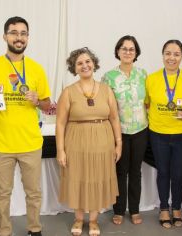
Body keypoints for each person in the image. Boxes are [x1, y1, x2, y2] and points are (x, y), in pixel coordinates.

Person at [0, 16, 51, 236]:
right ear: (5, 36)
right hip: (2, 144)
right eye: (13, 32)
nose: (18, 37)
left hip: (30, 142)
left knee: (34, 192)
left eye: (23, 33)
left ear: (27, 37)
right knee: (3, 193)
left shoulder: (37, 69)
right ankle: (4, 231)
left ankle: (34, 229)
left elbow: (48, 105)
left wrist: (37, 100)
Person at [56, 47, 122, 236]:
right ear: (74, 68)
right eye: (79, 63)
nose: (84, 65)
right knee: (77, 178)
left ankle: (93, 220)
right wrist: (61, 150)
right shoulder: (68, 92)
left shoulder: (106, 89)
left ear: (94, 64)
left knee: (97, 179)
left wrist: (119, 143)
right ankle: (78, 219)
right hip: (75, 143)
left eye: (87, 61)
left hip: (103, 143)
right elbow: (60, 123)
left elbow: (115, 118)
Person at [145, 40, 182, 229]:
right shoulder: (151, 79)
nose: (171, 57)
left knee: (178, 173)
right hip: (158, 133)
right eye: (168, 53)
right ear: (162, 55)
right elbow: (146, 104)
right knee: (163, 173)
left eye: (176, 54)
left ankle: (176, 208)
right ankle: (164, 208)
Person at [102, 35, 148, 225]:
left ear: (136, 53)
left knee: (136, 171)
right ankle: (119, 209)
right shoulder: (108, 77)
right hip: (118, 132)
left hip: (140, 130)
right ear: (118, 51)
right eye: (124, 48)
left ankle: (135, 210)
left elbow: (149, 101)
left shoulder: (143, 75)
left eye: (131, 49)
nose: (128, 52)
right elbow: (105, 106)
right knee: (120, 171)